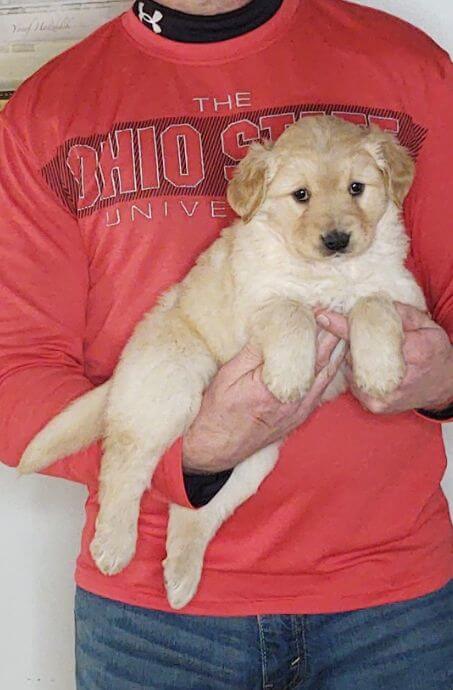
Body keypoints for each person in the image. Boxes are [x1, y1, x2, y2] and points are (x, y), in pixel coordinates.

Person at [0, 0, 452, 687]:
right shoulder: (48, 110)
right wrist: (186, 456)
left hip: (392, 605)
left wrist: (445, 378)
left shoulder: (406, 65)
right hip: (152, 626)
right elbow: (12, 368)